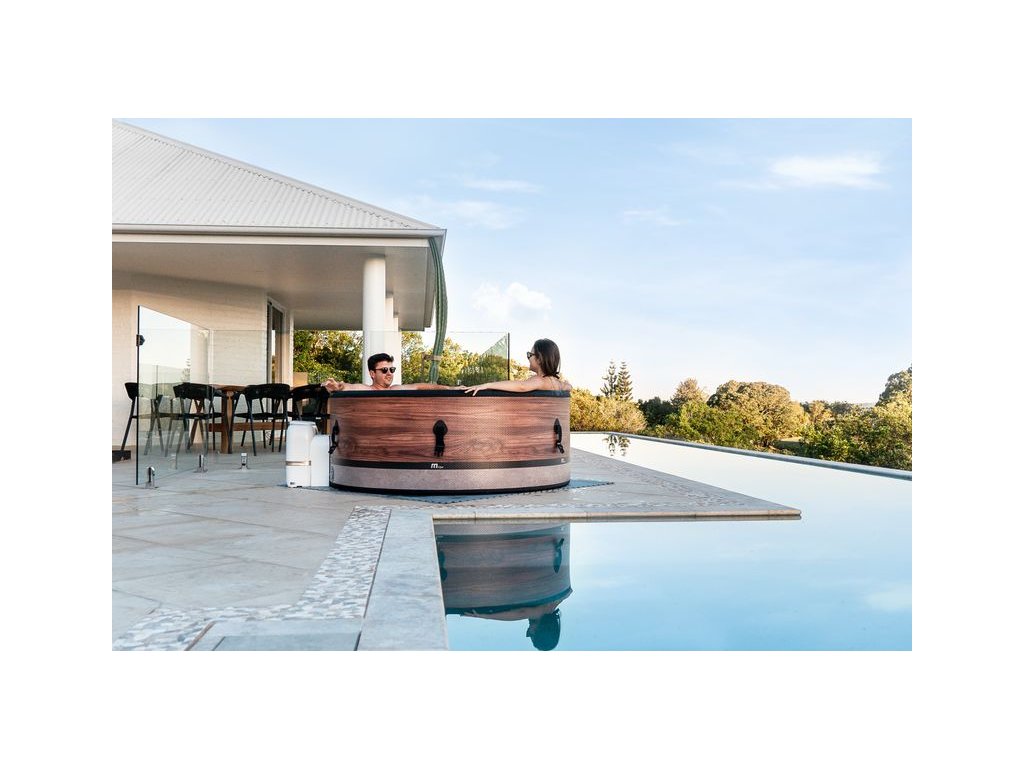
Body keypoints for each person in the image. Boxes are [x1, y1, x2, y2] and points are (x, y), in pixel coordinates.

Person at [463, 338, 571, 395]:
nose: (528, 358)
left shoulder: (540, 380)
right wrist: (567, 385)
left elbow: (522, 386)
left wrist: (487, 385)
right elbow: (568, 386)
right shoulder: (557, 383)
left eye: (530, 355)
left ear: (539, 359)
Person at [322, 352, 462, 392]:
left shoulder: (396, 389)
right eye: (384, 370)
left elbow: (420, 386)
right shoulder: (367, 390)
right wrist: (337, 387)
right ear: (372, 374)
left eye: (391, 369)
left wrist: (451, 388)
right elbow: (348, 387)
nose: (389, 373)